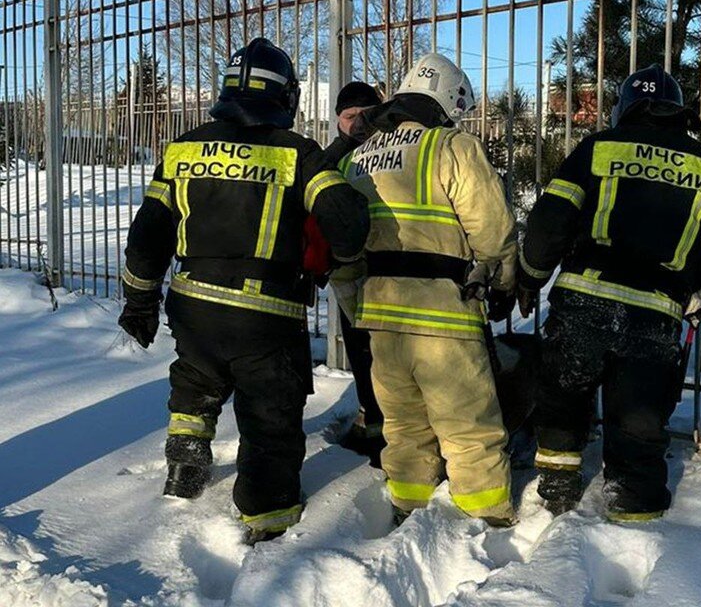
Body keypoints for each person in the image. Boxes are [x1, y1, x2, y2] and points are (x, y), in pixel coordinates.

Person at [118, 38, 370, 545]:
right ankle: (269, 524)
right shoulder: (298, 154)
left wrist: (139, 300)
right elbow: (346, 227)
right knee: (270, 417)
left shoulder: (184, 148)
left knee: (194, 384)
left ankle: (184, 471)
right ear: (286, 96)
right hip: (266, 316)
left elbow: (148, 235)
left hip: (193, 307)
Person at [517, 64, 701, 522]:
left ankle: (558, 494)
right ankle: (635, 515)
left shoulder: (597, 149)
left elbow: (548, 223)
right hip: (656, 314)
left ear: (625, 109)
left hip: (583, 301)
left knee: (564, 401)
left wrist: (530, 276)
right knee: (639, 422)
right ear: (678, 113)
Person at [340, 52, 518, 527]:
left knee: (403, 425)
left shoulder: (360, 156)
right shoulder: (453, 147)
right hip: (444, 316)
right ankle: (489, 520)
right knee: (469, 427)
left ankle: (407, 504)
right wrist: (502, 283)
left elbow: (343, 246)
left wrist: (358, 305)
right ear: (445, 100)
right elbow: (492, 232)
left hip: (381, 316)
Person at [324, 81, 386, 466]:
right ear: (337, 121)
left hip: (390, 270)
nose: (360, 124)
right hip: (349, 275)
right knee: (361, 352)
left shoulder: (393, 151)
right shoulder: (328, 160)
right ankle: (372, 420)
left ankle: (389, 426)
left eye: (368, 115)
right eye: (350, 117)